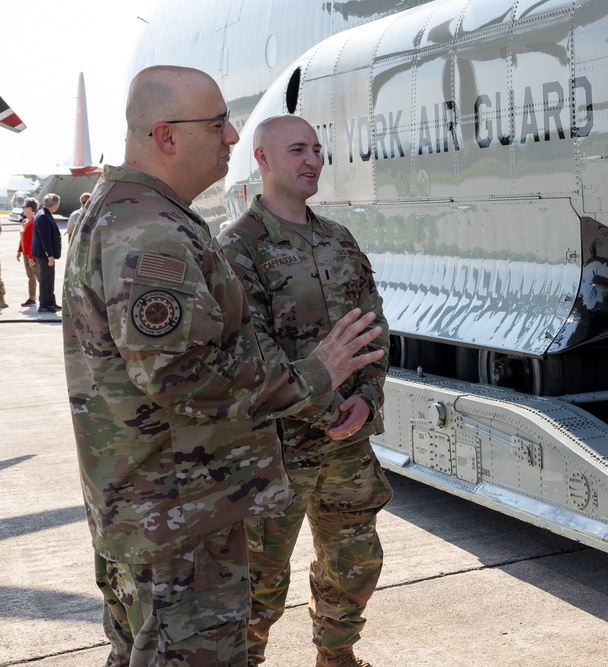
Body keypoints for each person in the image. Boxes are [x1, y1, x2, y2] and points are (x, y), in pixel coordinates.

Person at [62, 65, 386, 667]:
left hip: (155, 508)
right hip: (177, 518)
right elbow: (186, 379)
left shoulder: (125, 215)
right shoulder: (151, 234)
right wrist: (315, 375)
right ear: (166, 136)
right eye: (217, 125)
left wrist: (358, 387)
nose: (231, 137)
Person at [218, 114, 392, 667]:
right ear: (263, 159)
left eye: (317, 149)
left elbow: (373, 326)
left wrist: (366, 397)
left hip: (346, 444)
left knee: (355, 561)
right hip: (274, 451)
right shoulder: (238, 250)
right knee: (258, 581)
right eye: (298, 150)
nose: (312, 160)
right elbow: (251, 354)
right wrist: (325, 406)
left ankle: (337, 656)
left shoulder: (339, 240)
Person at [31, 192, 61, 312]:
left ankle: (50, 302)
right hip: (45, 255)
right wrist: (50, 255)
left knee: (49, 279)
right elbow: (45, 238)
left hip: (45, 254)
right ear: (54, 204)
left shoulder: (43, 213)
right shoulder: (43, 216)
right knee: (46, 279)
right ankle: (44, 304)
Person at [16, 198, 39, 307]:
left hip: (32, 254)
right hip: (26, 253)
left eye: (24, 207)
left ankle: (46, 299)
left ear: (30, 208)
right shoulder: (25, 221)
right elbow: (23, 238)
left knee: (40, 277)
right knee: (30, 276)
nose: (23, 209)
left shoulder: (35, 222)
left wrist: (31, 257)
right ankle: (32, 298)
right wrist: (19, 251)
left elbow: (33, 240)